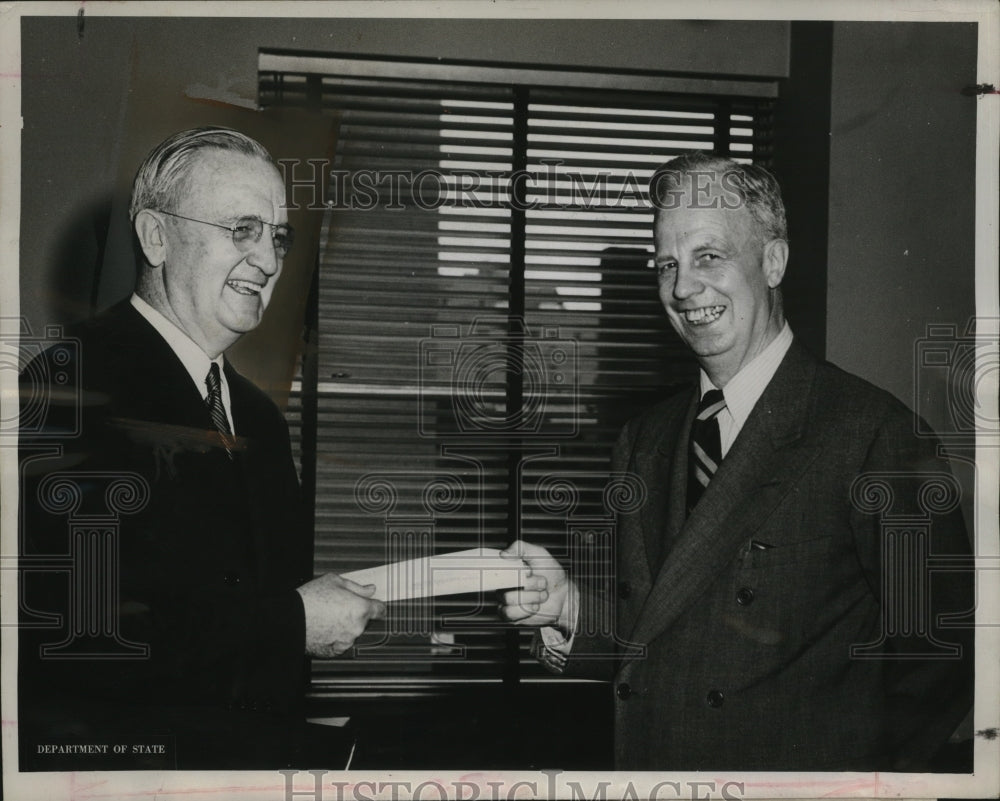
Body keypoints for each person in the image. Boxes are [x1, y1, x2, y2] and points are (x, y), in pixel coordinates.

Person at [500, 153, 974, 772]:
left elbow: (942, 659)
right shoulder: (646, 438)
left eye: (708, 256)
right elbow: (665, 637)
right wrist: (567, 608)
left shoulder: (873, 434)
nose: (682, 288)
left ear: (773, 262)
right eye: (667, 264)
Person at [18, 127, 385, 770]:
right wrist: (293, 625)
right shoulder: (67, 389)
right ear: (156, 236)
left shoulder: (262, 420)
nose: (269, 261)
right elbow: (74, 639)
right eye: (241, 229)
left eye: (276, 237)